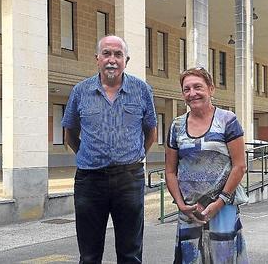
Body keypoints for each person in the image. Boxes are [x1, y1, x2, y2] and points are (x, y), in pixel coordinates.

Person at [62, 35, 157, 264]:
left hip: (129, 179)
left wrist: (133, 157)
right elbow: (70, 134)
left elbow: (151, 132)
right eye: (106, 53)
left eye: (118, 54)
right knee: (89, 254)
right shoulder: (80, 91)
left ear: (126, 59)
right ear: (97, 59)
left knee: (130, 253)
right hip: (89, 180)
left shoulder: (142, 90)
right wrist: (90, 156)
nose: (112, 60)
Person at [165, 67, 249, 264]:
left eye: (198, 87)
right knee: (191, 257)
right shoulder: (176, 126)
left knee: (223, 256)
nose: (192, 93)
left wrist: (219, 202)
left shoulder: (227, 120)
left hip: (222, 206)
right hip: (190, 209)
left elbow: (239, 166)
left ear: (211, 89)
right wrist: (181, 205)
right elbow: (170, 170)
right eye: (187, 89)